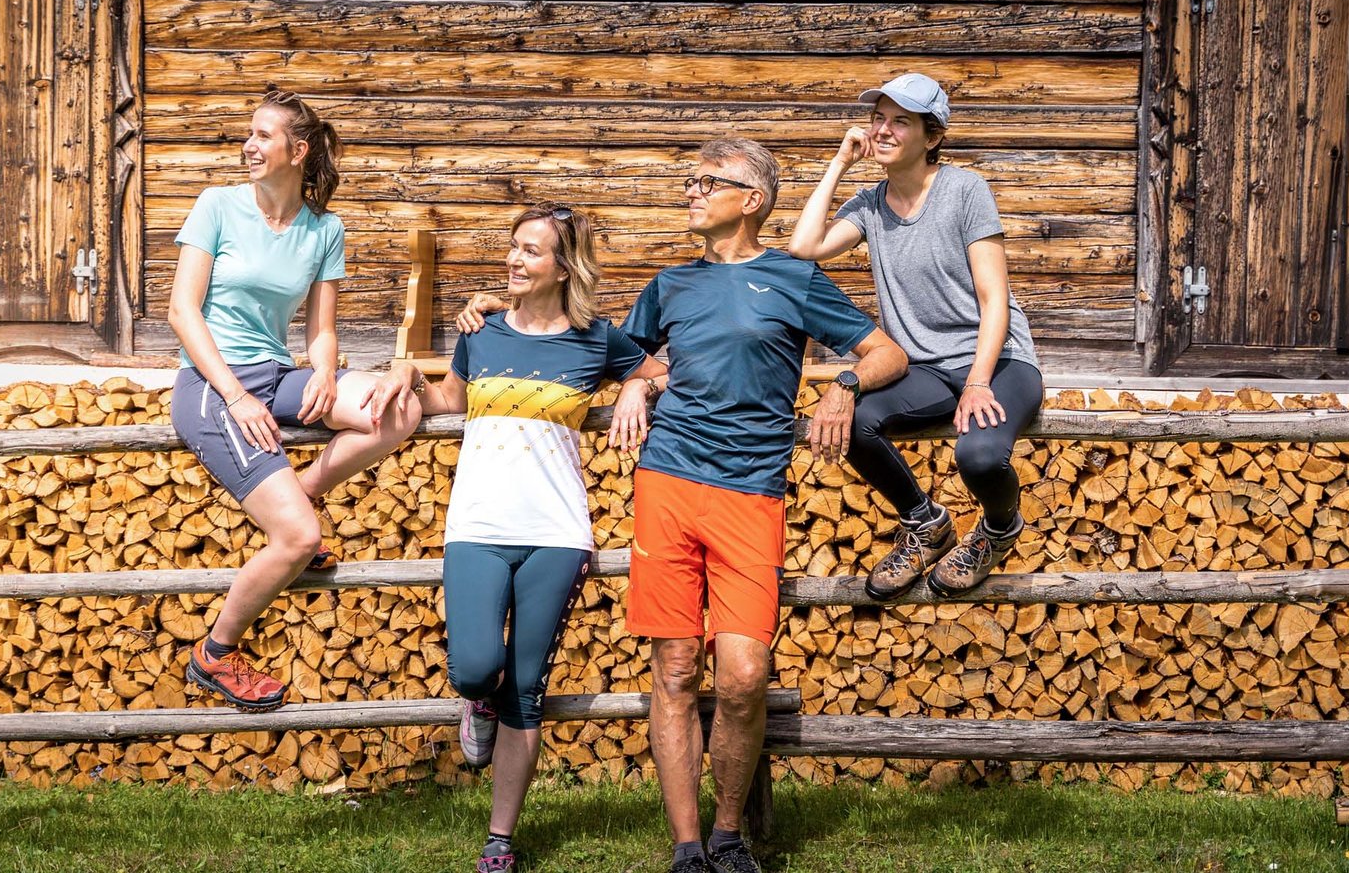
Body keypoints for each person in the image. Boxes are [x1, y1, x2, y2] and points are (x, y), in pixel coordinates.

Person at [460, 140, 907, 873]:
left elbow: (886, 351)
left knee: (741, 674)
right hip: (667, 482)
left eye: (708, 182)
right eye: (690, 180)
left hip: (751, 490)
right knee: (673, 670)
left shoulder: (793, 277)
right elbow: (616, 351)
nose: (692, 192)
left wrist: (843, 386)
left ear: (753, 199)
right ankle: (691, 847)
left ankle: (731, 832)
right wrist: (634, 380)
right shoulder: (670, 285)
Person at [424, 203, 667, 872]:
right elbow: (448, 401)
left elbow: (655, 371)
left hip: (555, 533)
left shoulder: (596, 340)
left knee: (526, 687)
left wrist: (632, 393)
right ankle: (475, 701)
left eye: (531, 251)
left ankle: (499, 841)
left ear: (564, 267)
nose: (514, 259)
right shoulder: (484, 334)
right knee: (477, 666)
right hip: (475, 525)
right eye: (512, 246)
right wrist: (393, 379)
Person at [167, 88, 425, 711]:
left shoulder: (323, 229)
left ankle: (304, 486)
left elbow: (323, 330)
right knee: (300, 539)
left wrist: (328, 374)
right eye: (248, 134)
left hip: (280, 373)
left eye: (262, 135)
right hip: (211, 386)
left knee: (399, 410)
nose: (248, 146)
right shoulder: (217, 207)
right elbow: (181, 311)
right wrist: (236, 396)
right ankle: (216, 654)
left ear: (297, 150)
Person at [787, 73, 1043, 599]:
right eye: (878, 118)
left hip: (999, 362)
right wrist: (839, 161)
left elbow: (995, 298)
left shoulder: (964, 190)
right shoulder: (869, 204)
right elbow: (804, 246)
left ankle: (998, 531)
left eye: (899, 121)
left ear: (932, 136)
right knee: (856, 422)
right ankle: (925, 523)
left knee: (978, 457)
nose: (881, 130)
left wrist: (977, 382)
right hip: (926, 369)